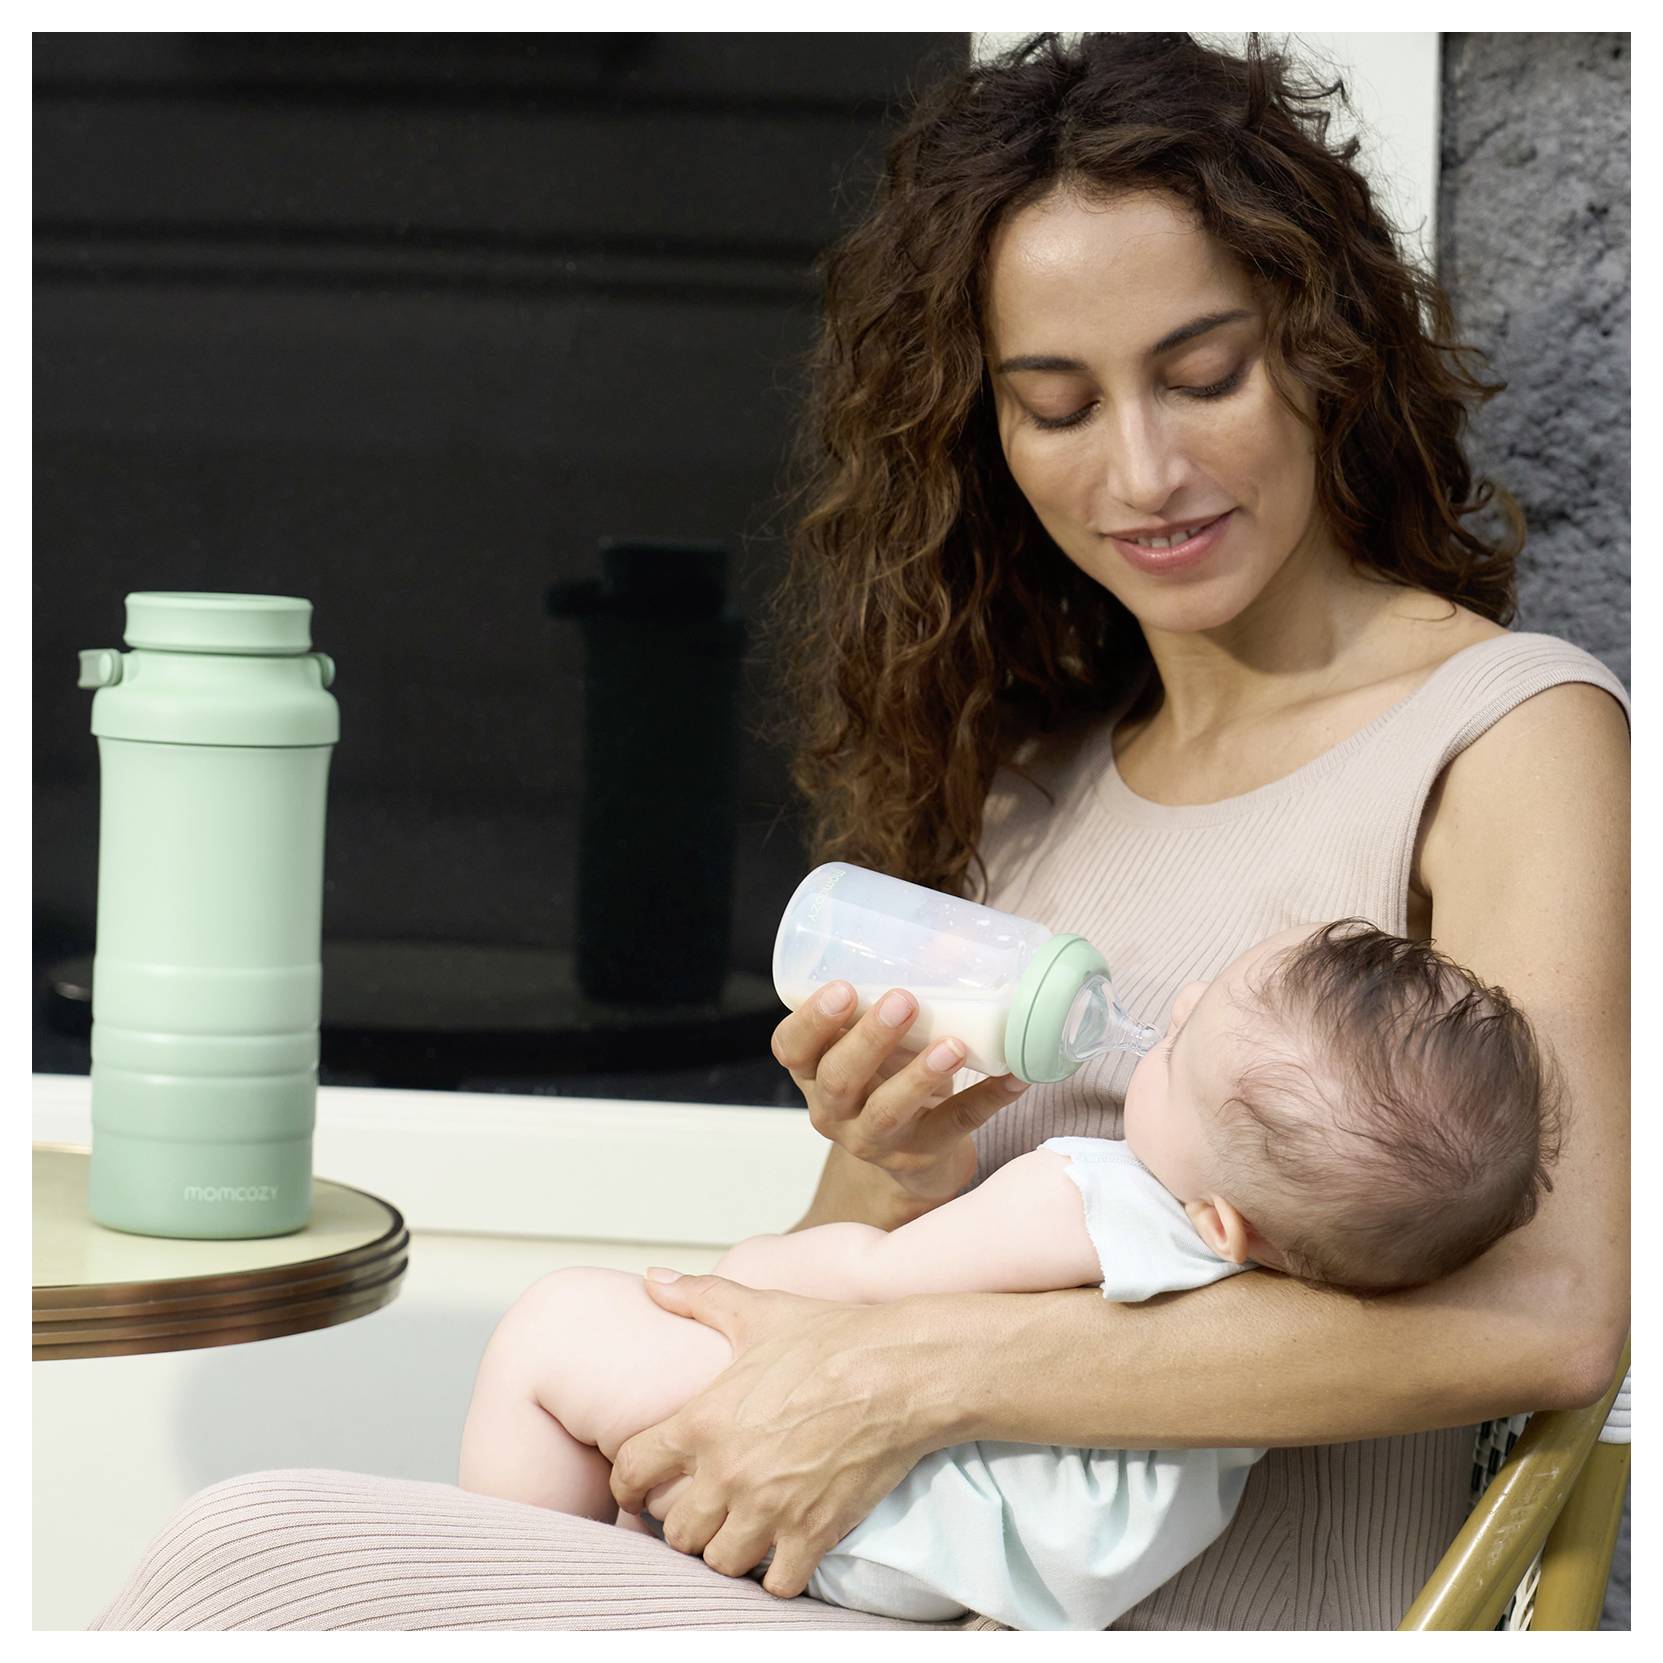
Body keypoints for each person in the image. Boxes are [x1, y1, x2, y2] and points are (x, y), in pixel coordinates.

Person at [90, 32, 1628, 1631]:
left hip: (1217, 1612)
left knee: (247, 1559)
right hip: (897, 1581)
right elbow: (825, 1272)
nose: (1143, 470)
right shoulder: (1033, 782)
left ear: (1326, 351)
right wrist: (902, 1158)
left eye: (1202, 373)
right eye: (1054, 404)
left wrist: (925, 1378)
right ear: (985, 435)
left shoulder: (1503, 730)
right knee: (267, 1554)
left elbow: (1552, 1315)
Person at [456, 921, 1563, 1630]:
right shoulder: (1279, 1285)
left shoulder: (1089, 1193)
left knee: (556, 1325)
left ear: (1223, 1218)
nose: (1165, 1017)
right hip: (1016, 1568)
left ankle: (508, 1604)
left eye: (1178, 1053)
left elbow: (879, 1281)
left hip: (908, 1510)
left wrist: (750, 1272)